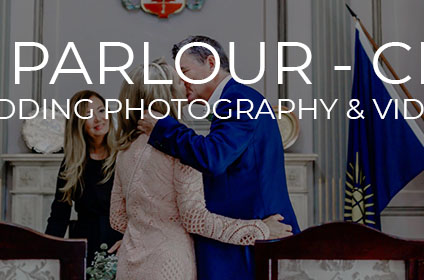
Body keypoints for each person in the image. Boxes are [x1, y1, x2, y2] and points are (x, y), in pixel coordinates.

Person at [110, 60, 291, 280]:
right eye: (179, 81)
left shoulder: (124, 150)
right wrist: (260, 230)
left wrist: (143, 234)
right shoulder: (179, 150)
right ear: (167, 94)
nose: (185, 84)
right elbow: (195, 220)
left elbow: (117, 219)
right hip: (170, 265)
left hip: (130, 263)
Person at [45, 90, 122, 258]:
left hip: (121, 245)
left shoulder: (124, 155)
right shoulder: (72, 163)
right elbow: (59, 215)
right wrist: (46, 255)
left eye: (101, 110)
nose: (98, 119)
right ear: (78, 123)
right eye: (88, 115)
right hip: (85, 246)